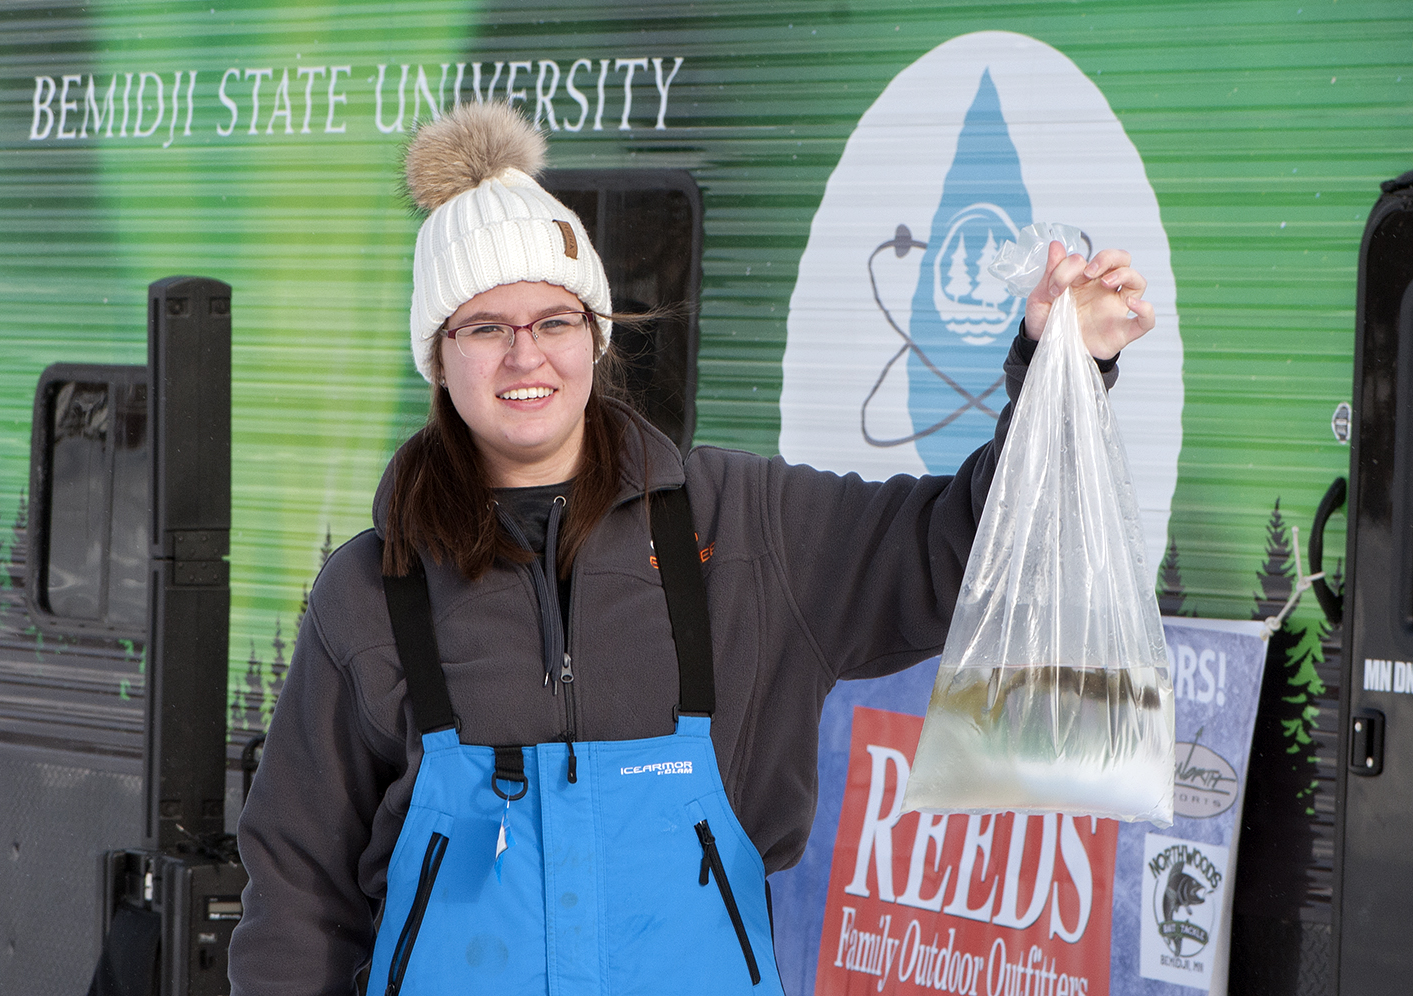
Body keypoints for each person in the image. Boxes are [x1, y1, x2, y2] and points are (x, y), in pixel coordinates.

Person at [227, 101, 1154, 996]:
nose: (525, 357)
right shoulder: (371, 587)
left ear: (594, 335)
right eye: (485, 328)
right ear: (439, 355)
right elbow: (299, 895)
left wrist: (1056, 368)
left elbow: (965, 554)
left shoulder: (746, 527)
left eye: (554, 320)